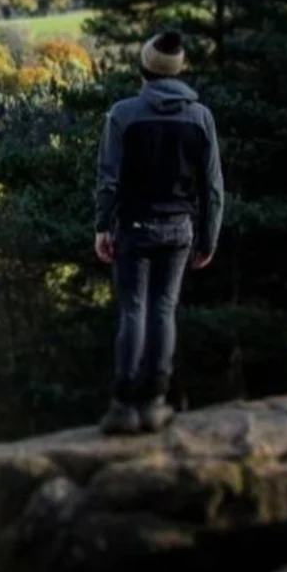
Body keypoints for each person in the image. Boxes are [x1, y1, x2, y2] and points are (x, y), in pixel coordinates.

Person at [93, 31, 223, 435]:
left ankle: (123, 407)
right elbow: (213, 186)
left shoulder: (124, 114)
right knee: (164, 311)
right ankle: (154, 403)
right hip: (180, 230)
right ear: (179, 70)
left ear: (144, 68)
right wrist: (208, 238)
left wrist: (101, 225)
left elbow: (108, 179)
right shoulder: (201, 118)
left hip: (134, 227)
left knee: (134, 311)